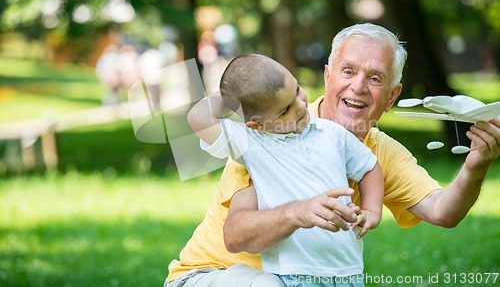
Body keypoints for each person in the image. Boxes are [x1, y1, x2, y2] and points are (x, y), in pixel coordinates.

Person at [164, 23, 500, 287]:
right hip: (210, 276)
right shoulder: (268, 133)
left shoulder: (378, 152)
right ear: (327, 76)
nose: (358, 87)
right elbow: (236, 236)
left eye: (375, 78)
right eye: (348, 71)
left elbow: (443, 211)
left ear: (392, 96)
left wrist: (476, 164)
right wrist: (300, 211)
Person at [186, 54, 384, 286]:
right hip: (293, 273)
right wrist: (238, 93)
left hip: (348, 267)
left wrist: (371, 211)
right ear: (257, 123)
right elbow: (198, 118)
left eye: (297, 90)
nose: (300, 106)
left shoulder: (332, 133)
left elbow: (369, 166)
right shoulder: (251, 142)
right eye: (285, 109)